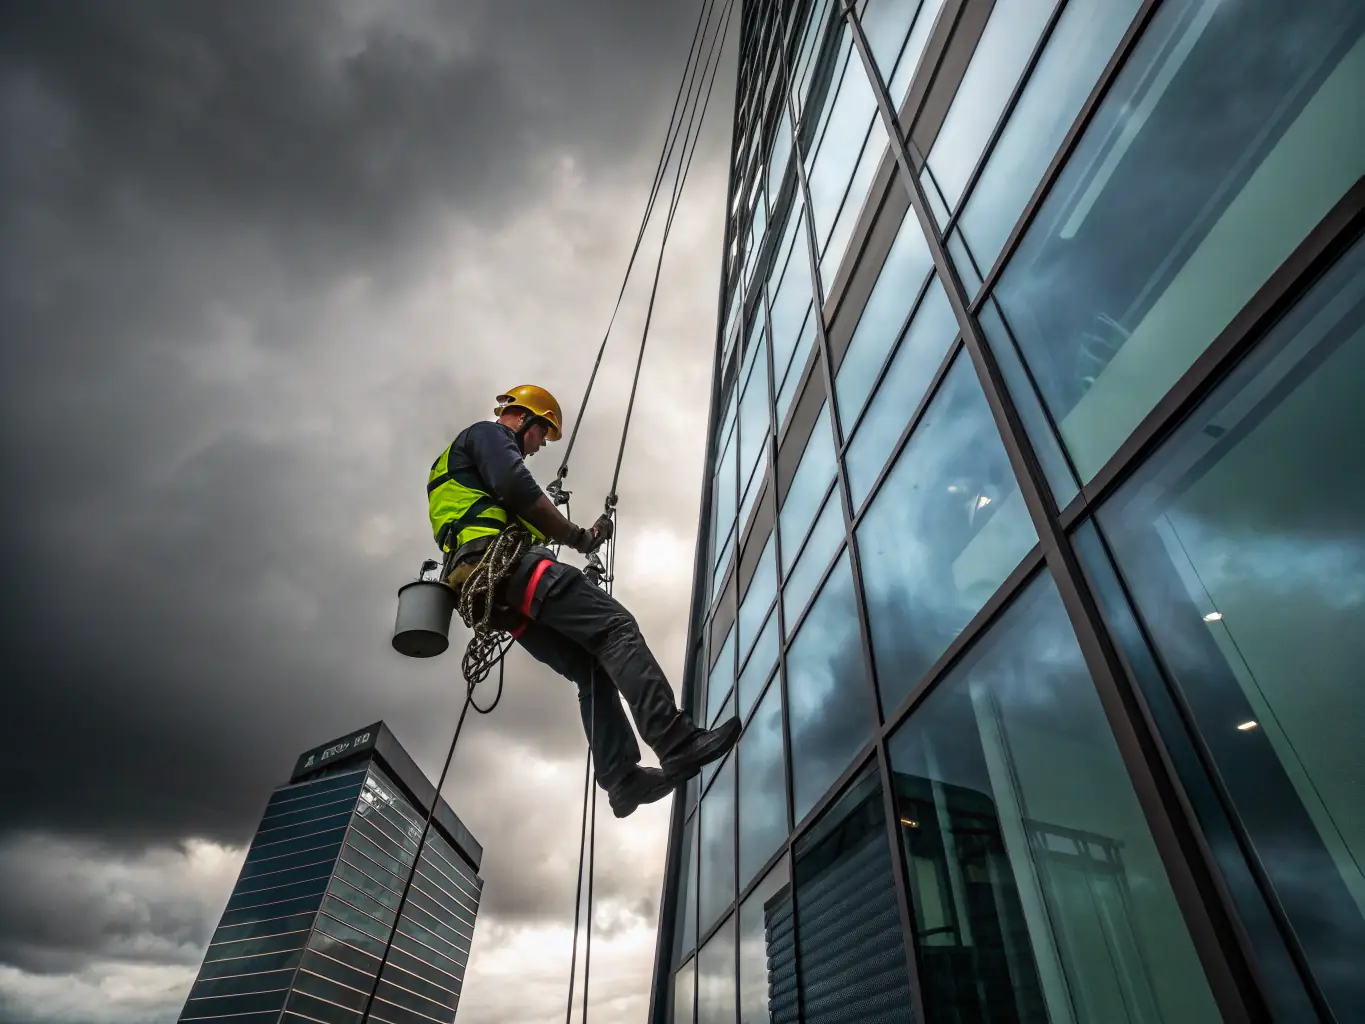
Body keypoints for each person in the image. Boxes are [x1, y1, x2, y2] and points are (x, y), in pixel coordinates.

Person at [427, 384, 741, 818]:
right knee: (615, 629)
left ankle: (622, 780)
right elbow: (516, 486)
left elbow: (516, 511)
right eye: (540, 435)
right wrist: (578, 538)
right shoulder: (487, 434)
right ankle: (676, 740)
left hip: (490, 592)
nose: (537, 447)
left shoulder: (458, 475)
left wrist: (586, 538)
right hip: (502, 565)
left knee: (589, 668)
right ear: (523, 418)